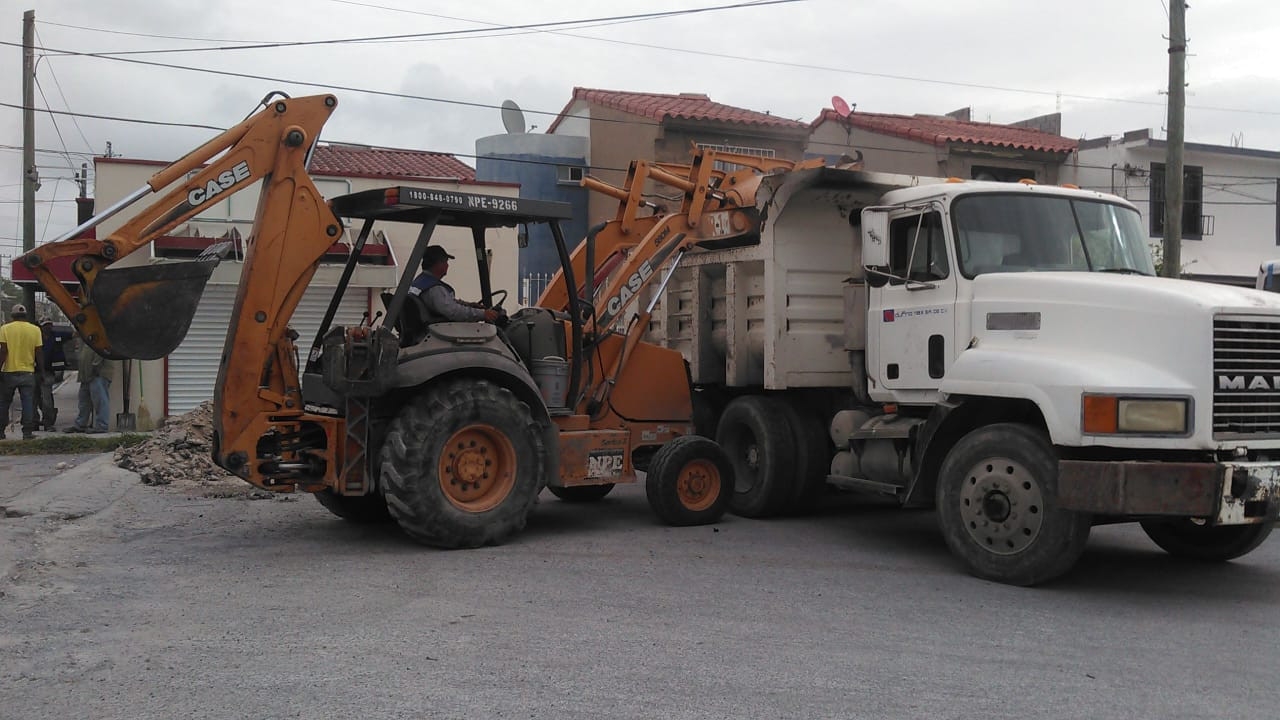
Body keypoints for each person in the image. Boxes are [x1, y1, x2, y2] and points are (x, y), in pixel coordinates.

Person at [408, 246, 502, 325]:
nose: (447, 266)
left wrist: (469, 305)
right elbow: (453, 312)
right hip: (441, 330)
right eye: (446, 262)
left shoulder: (420, 282)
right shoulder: (435, 289)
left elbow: (446, 302)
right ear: (439, 264)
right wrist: (483, 314)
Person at [0, 303, 44, 440]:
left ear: (12, 316)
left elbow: (3, 351)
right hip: (28, 372)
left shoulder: (4, 329)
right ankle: (27, 433)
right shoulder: (35, 330)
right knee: (28, 402)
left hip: (9, 371)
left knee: (4, 403)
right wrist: (41, 371)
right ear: (26, 315)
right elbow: (39, 352)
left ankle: (1, 432)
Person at [65, 340, 113, 434]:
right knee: (84, 400)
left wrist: (96, 366)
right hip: (86, 374)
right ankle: (80, 424)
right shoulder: (86, 338)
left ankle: (102, 426)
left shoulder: (100, 336)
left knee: (100, 400)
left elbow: (102, 351)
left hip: (98, 373)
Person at [35, 318, 58, 430]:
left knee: (47, 398)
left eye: (49, 325)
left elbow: (73, 334)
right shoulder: (35, 336)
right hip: (35, 371)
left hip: (48, 372)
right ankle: (35, 421)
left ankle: (48, 422)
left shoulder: (56, 336)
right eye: (45, 325)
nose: (48, 327)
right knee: (34, 398)